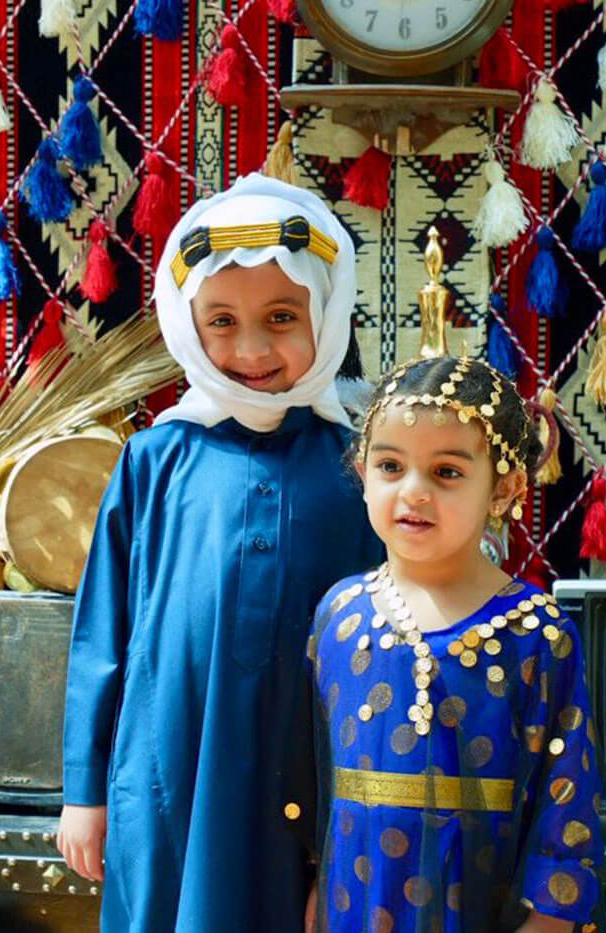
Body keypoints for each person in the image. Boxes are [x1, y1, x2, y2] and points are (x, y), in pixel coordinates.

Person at [57, 174, 384, 931]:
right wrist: (84, 790)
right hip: (168, 769)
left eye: (281, 317)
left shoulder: (363, 466)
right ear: (187, 324)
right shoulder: (153, 461)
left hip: (314, 776)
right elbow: (101, 634)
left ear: (326, 313)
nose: (252, 349)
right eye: (223, 321)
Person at [310, 355, 602, 933]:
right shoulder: (339, 618)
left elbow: (567, 792)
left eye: (446, 472)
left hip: (481, 904)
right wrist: (316, 887)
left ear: (505, 488)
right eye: (390, 466)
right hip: (354, 903)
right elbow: (313, 777)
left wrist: (552, 918)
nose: (413, 492)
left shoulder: (537, 632)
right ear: (362, 472)